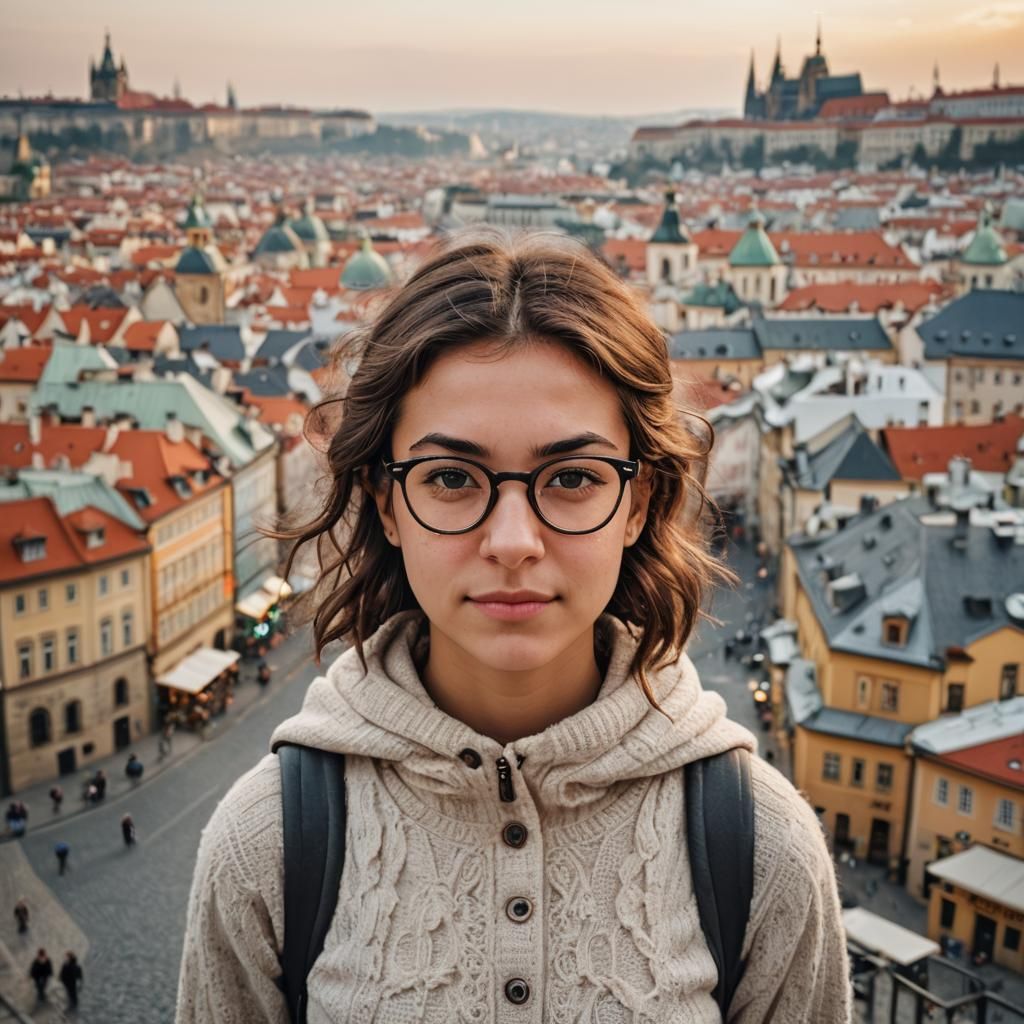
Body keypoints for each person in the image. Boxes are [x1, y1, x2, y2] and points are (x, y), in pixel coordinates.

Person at [176, 229, 851, 1022]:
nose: (512, 542)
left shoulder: (761, 846)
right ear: (387, 503)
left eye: (571, 478)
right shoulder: (269, 846)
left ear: (637, 503)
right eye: (452, 478)